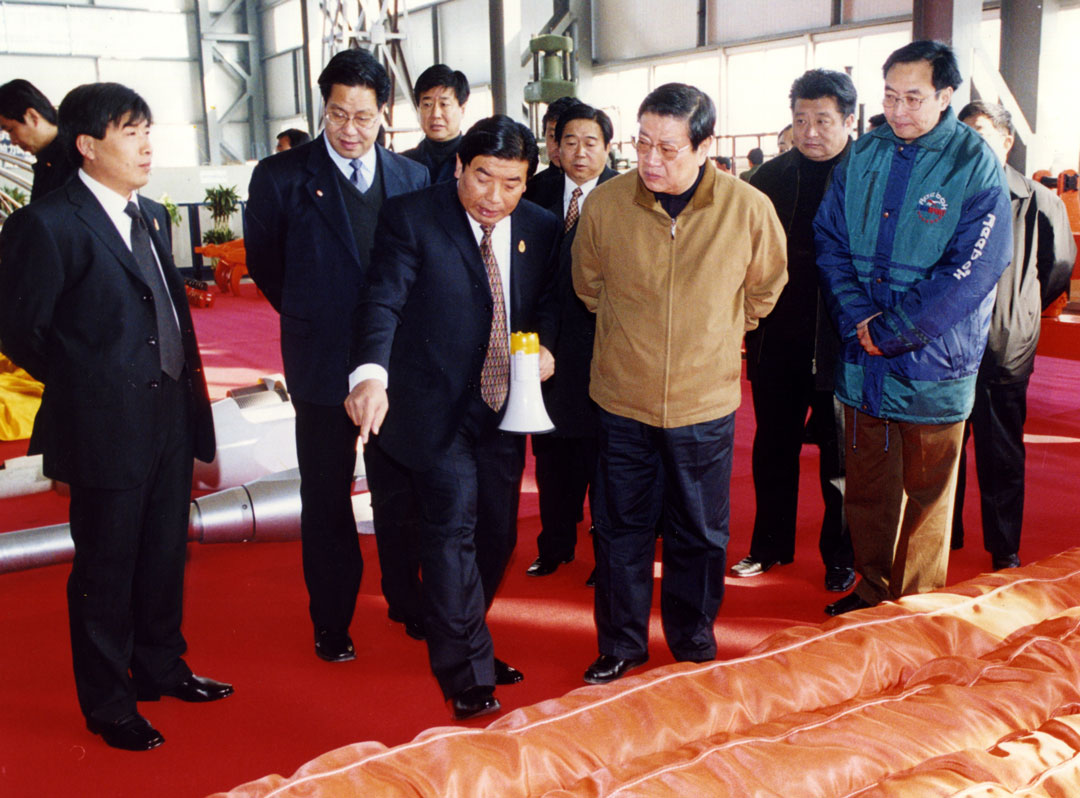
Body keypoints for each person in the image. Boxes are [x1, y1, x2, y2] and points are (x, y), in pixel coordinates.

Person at [0, 82, 231, 751]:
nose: (146, 145)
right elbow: (20, 329)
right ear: (86, 145)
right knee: (106, 567)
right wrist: (89, 382)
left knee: (164, 550)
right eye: (130, 132)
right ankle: (108, 703)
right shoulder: (48, 223)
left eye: (148, 130)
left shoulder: (150, 214)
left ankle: (161, 665)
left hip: (171, 411)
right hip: (104, 422)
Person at [345, 115, 560, 720]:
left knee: (498, 534)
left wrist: (548, 347)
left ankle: (462, 628)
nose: (495, 197)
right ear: (460, 166)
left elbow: (548, 301)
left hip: (503, 403)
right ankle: (467, 670)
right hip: (433, 403)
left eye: (512, 183)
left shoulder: (540, 227)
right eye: (483, 177)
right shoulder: (413, 216)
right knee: (452, 530)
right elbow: (382, 299)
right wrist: (370, 375)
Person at [572, 83, 787, 684]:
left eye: (667, 148)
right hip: (622, 398)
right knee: (620, 530)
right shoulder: (607, 205)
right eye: (642, 143)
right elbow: (588, 286)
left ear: (704, 146)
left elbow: (765, 288)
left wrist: (714, 332)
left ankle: (692, 639)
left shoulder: (747, 209)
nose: (650, 159)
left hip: (703, 401)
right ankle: (621, 644)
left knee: (701, 531)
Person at [814, 40, 1012, 616]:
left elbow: (974, 267)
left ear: (945, 96)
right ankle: (873, 592)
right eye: (889, 97)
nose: (898, 110)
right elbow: (829, 240)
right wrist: (859, 318)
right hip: (863, 359)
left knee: (927, 497)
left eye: (913, 98)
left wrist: (894, 329)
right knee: (868, 488)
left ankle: (915, 611)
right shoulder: (863, 154)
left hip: (933, 363)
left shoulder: (973, 162)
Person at [245, 49, 429, 659]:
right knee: (325, 494)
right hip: (320, 361)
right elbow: (266, 264)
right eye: (337, 114)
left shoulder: (411, 177)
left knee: (398, 489)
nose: (350, 130)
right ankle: (331, 619)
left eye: (363, 117)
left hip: (395, 363)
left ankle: (407, 599)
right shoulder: (280, 177)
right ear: (322, 108)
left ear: (385, 113)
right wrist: (313, 313)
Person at [732, 69, 857, 592]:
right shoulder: (766, 180)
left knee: (841, 461)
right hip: (776, 341)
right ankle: (769, 545)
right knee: (773, 450)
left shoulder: (869, 174)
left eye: (823, 120)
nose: (810, 131)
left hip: (845, 344)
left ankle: (842, 556)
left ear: (849, 120)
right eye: (801, 120)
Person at [952, 100, 1075, 569]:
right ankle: (945, 533)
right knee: (943, 447)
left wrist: (1020, 310)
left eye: (980, 132)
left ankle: (1004, 547)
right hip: (946, 346)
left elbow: (1058, 267)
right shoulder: (945, 195)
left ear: (1006, 141)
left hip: (1005, 345)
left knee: (1000, 448)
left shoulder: (1039, 200)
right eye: (963, 133)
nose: (970, 142)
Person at [527, 103, 617, 579]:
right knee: (551, 456)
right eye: (570, 142)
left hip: (605, 349)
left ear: (608, 147)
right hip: (547, 347)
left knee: (606, 461)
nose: (580, 153)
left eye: (591, 143)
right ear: (555, 148)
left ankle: (607, 556)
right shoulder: (534, 192)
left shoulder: (627, 196)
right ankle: (555, 544)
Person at [0, 79, 77, 201]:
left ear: (32, 117)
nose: (13, 141)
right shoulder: (48, 159)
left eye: (10, 130)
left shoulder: (76, 161)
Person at [402, 64, 469, 184]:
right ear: (418, 109)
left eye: (444, 104)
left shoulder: (474, 161)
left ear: (462, 109)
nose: (435, 114)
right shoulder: (403, 163)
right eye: (427, 105)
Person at [523, 95, 583, 207]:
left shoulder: (606, 186)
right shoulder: (531, 190)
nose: (558, 146)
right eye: (552, 136)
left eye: (568, 138)